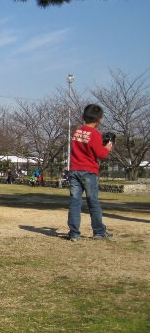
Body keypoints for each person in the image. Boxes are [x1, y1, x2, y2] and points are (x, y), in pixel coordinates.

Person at [67, 104, 113, 242]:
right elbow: (101, 154)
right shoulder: (95, 134)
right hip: (89, 171)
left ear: (84, 117)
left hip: (74, 169)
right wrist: (108, 147)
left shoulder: (77, 132)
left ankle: (74, 233)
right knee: (93, 202)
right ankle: (98, 231)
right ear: (99, 119)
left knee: (75, 202)